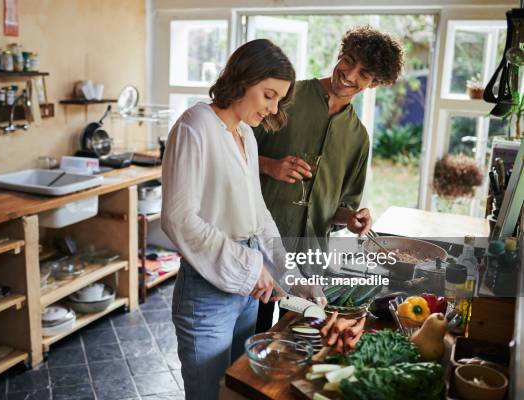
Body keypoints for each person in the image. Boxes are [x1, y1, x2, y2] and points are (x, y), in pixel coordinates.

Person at [161, 39, 313, 400]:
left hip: (247, 291)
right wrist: (250, 266)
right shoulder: (194, 126)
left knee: (237, 392)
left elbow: (258, 216)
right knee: (207, 395)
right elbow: (178, 219)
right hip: (206, 293)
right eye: (268, 95)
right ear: (244, 79)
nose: (273, 108)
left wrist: (291, 276)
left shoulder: (246, 134)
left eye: (279, 99)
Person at [254, 26, 404, 333]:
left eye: (364, 73)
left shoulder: (359, 138)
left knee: (295, 339)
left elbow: (338, 208)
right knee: (246, 337)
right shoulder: (286, 97)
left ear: (374, 83)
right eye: (349, 60)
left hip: (308, 261)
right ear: (340, 54)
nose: (349, 74)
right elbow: (232, 153)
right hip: (257, 247)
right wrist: (269, 165)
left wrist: (351, 218)